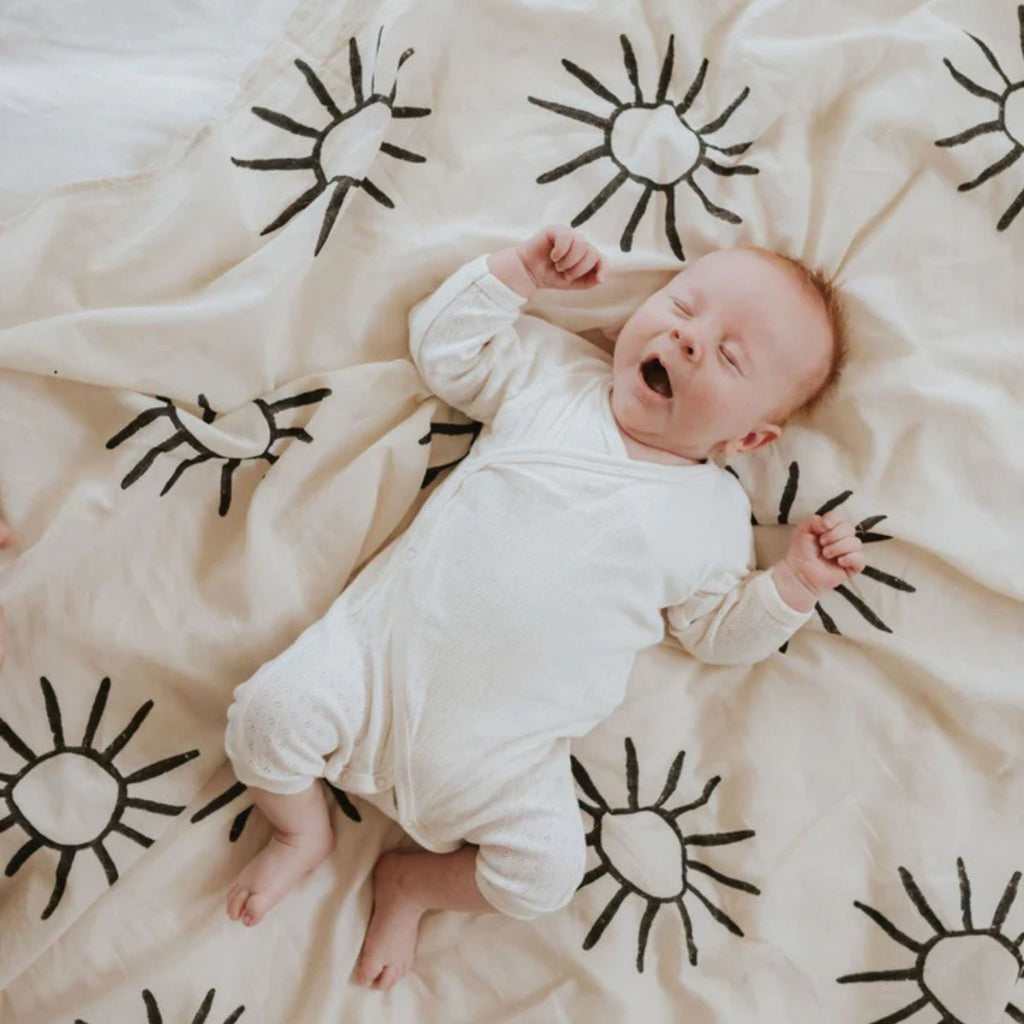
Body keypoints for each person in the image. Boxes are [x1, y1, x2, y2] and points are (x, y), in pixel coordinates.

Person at [223, 225, 865, 991]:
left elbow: (715, 634)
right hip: (374, 667)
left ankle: (414, 885)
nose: (690, 341)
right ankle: (302, 832)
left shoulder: (714, 517)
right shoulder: (557, 378)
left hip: (502, 756)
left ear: (750, 436)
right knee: (266, 717)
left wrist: (792, 587)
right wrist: (513, 275)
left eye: (730, 356)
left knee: (544, 877)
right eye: (684, 309)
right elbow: (446, 351)